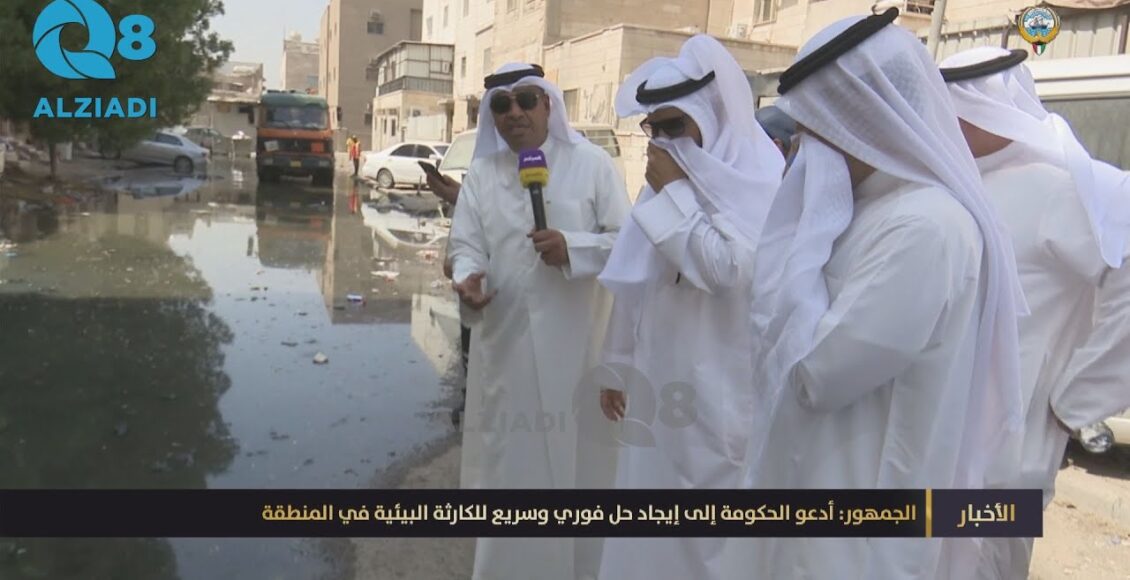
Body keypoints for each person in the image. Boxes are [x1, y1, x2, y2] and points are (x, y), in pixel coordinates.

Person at [721, 9, 1027, 580]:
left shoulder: (925, 225)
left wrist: (799, 246)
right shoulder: (865, 209)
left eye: (814, 124)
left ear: (854, 116)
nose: (805, 142)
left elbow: (819, 375)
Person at [594, 35, 784, 580]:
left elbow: (727, 270)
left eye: (676, 126)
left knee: (706, 545)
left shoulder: (760, 180)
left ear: (713, 116)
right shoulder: (666, 182)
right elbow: (637, 282)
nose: (664, 141)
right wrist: (616, 365)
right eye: (655, 130)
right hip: (660, 386)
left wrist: (676, 192)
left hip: (721, 396)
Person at [938, 46, 1130, 580]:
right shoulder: (959, 185)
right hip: (933, 438)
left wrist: (1078, 400)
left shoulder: (1062, 190)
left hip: (1007, 457)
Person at [447, 62, 631, 580]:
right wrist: (466, 277)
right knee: (513, 473)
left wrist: (575, 248)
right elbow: (464, 245)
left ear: (549, 103)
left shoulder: (592, 165)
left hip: (580, 349)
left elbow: (628, 244)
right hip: (507, 352)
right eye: (501, 105)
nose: (515, 113)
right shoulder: (482, 175)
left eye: (527, 100)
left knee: (582, 471)